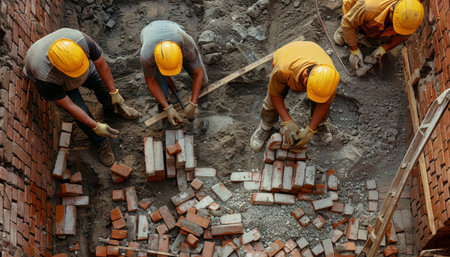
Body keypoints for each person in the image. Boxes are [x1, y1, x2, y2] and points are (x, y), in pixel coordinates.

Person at [24, 28, 139, 166]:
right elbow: (70, 107)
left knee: (104, 87)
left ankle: (113, 107)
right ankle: (100, 142)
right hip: (61, 83)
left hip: (82, 66)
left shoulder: (81, 40)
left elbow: (102, 65)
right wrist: (95, 126)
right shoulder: (44, 76)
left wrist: (114, 93)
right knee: (82, 114)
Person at [250, 41, 340, 152]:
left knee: (321, 100)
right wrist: (287, 121)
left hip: (312, 52)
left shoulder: (329, 78)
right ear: (306, 74)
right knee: (270, 103)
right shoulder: (283, 70)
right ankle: (265, 126)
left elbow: (325, 103)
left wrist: (311, 129)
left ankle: (319, 125)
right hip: (288, 56)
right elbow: (275, 95)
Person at [139, 20, 208, 126]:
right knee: (163, 93)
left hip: (172, 28)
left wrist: (193, 103)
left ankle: (165, 78)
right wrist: (168, 108)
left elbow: (198, 74)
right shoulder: (147, 55)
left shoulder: (187, 44)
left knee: (203, 82)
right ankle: (163, 81)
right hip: (149, 32)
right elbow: (150, 82)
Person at [333, 0, 424, 71]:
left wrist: (382, 50)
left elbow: (402, 36)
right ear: (392, 10)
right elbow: (348, 23)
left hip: (374, 14)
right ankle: (347, 30)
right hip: (356, 9)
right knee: (349, 26)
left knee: (380, 38)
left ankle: (370, 34)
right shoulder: (369, 7)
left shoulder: (411, 13)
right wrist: (354, 51)